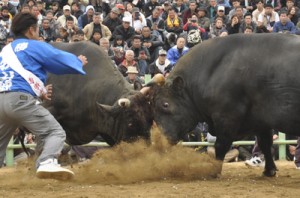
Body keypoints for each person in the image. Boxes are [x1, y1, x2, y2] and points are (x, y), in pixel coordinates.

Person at [0, 13, 88, 180]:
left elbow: (17, 75)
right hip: (19, 100)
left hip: (1, 101)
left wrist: (39, 91)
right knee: (55, 132)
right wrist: (77, 61)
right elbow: (56, 58)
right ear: (31, 30)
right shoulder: (32, 45)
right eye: (38, 29)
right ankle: (47, 161)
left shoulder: (5, 51)